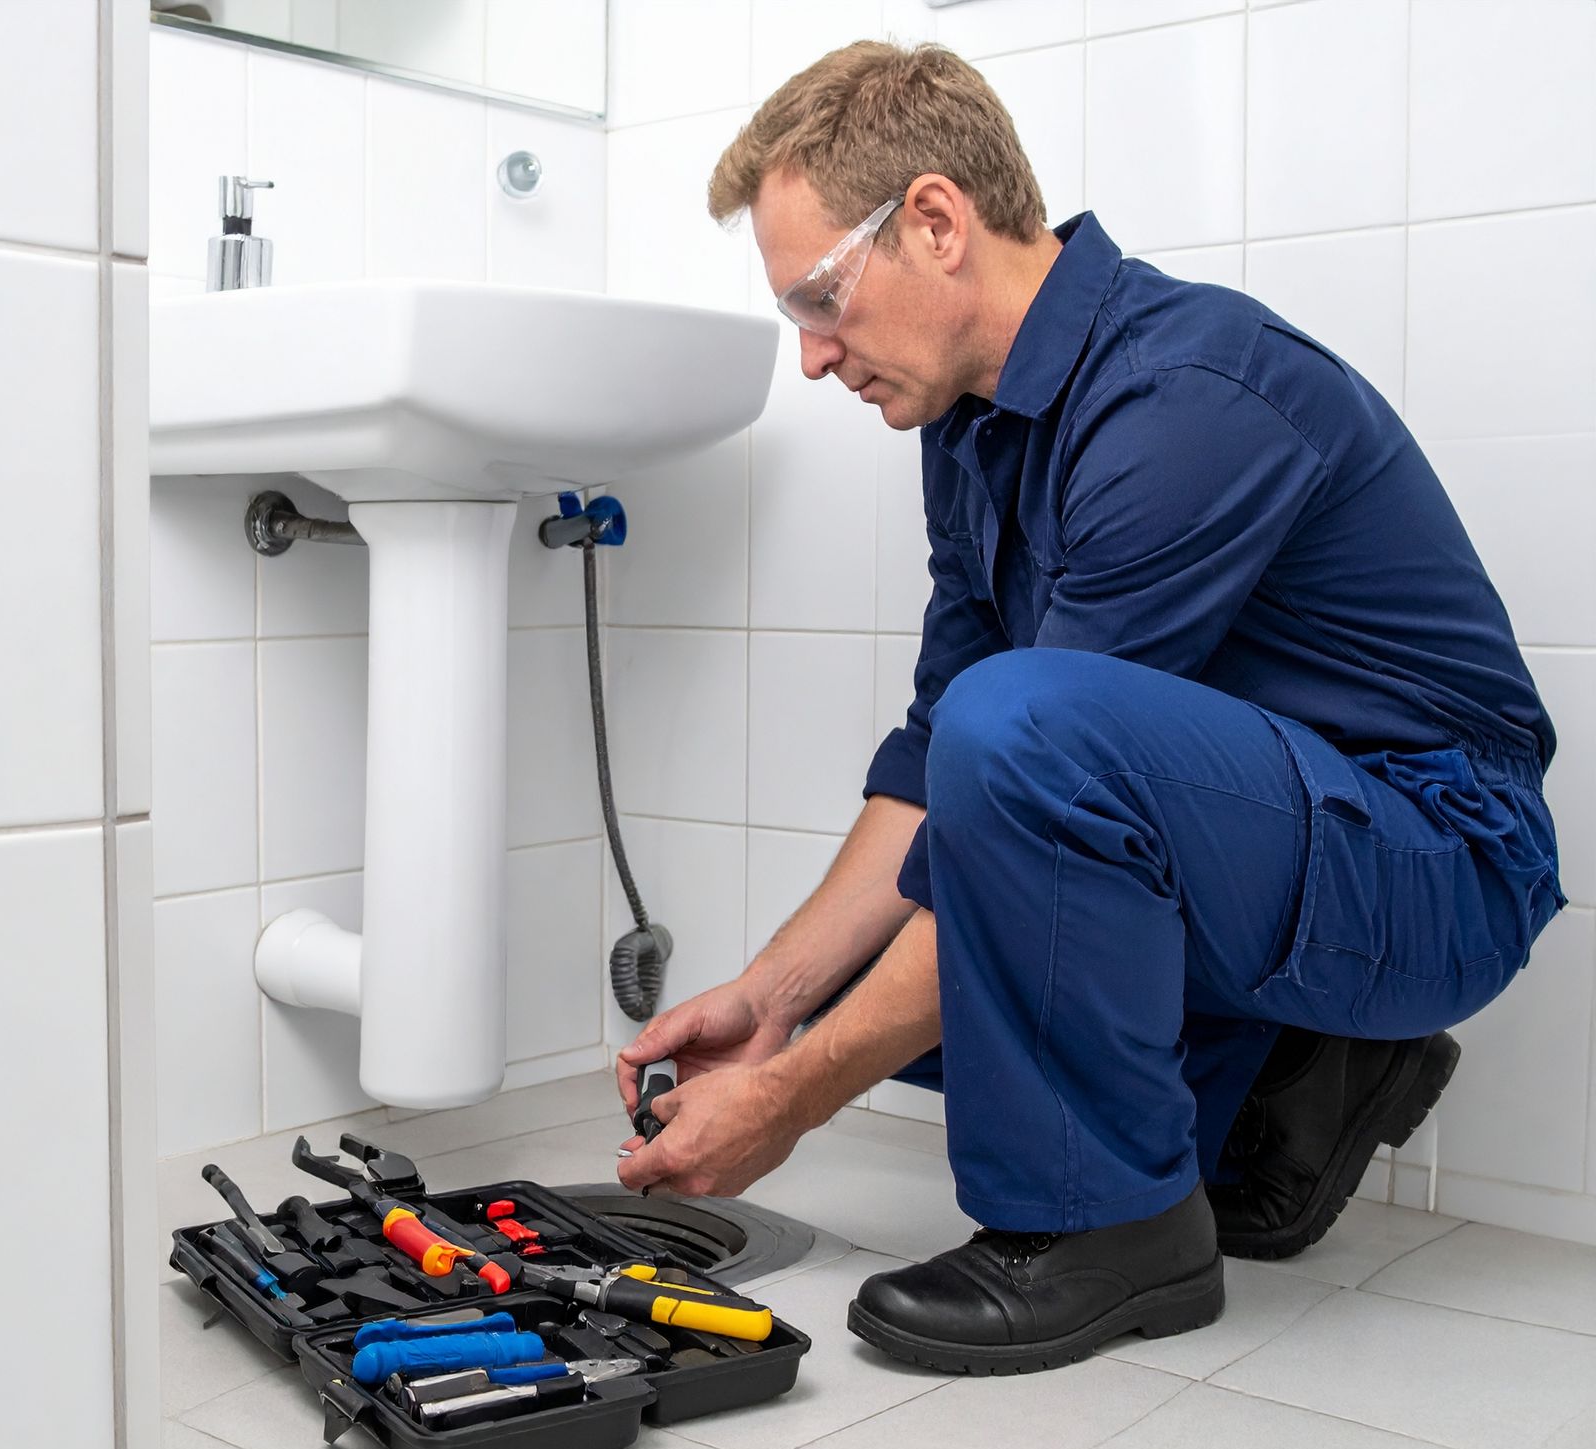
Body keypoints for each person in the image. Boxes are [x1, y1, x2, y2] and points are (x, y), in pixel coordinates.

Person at [612, 40, 1565, 1376]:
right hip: (1280, 842)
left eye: (821, 298)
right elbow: (940, 755)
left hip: (1439, 856)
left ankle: (1111, 1233)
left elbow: (1022, 756)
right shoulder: (974, 423)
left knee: (1010, 789)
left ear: (938, 223)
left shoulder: (1181, 399)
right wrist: (773, 1001)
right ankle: (1293, 1077)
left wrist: (789, 1097)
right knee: (947, 985)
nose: (817, 358)